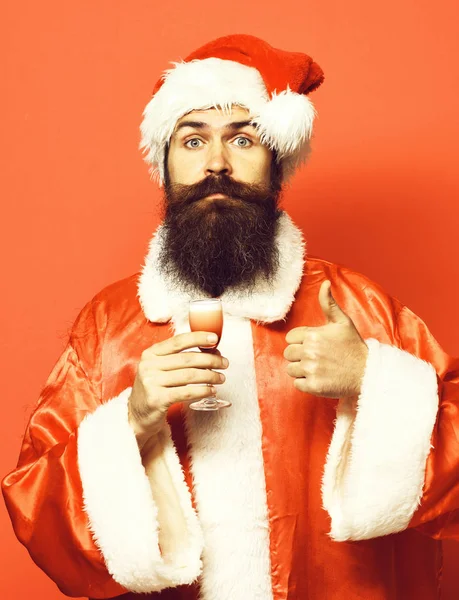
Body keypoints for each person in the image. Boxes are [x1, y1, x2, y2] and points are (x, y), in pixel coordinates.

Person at [2, 33, 459, 600]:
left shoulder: (354, 304)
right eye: (192, 141)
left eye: (242, 139)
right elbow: (34, 510)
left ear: (277, 163)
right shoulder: (109, 323)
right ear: (165, 166)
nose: (216, 163)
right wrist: (133, 420)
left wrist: (372, 380)